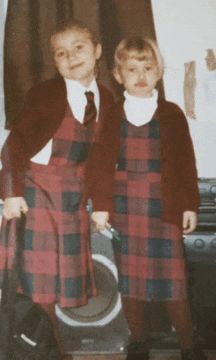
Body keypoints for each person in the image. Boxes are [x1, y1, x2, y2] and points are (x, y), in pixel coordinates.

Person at [0, 19, 114, 360]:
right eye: (60, 53)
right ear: (54, 62)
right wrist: (10, 193)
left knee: (56, 282)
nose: (70, 56)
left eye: (78, 47)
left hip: (72, 198)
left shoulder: (107, 99)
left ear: (97, 52)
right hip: (35, 192)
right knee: (36, 284)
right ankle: (46, 351)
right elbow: (14, 146)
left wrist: (103, 204)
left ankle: (46, 348)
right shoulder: (46, 93)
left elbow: (103, 160)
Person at [86, 38, 206, 360]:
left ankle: (188, 345)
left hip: (163, 206)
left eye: (148, 67)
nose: (140, 75)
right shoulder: (110, 114)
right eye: (132, 68)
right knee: (131, 282)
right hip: (125, 208)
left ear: (159, 72)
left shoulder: (171, 113)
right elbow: (97, 163)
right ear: (118, 74)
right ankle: (138, 342)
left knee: (174, 282)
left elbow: (185, 164)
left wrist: (189, 205)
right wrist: (100, 206)